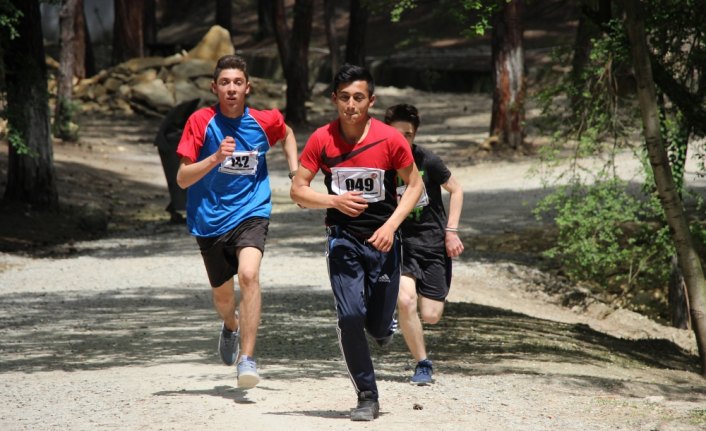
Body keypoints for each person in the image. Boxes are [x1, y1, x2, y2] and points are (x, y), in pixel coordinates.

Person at [290, 64, 423, 421]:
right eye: (345, 97)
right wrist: (333, 201)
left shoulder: (390, 139)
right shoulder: (322, 139)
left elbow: (415, 186)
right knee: (350, 316)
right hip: (343, 240)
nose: (351, 105)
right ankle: (367, 395)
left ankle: (384, 325)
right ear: (335, 99)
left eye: (359, 98)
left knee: (377, 326)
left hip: (384, 242)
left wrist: (391, 226)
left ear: (371, 101)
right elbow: (298, 190)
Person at [176, 54, 298, 389]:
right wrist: (216, 157)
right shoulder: (200, 122)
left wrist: (295, 173)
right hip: (209, 219)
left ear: (248, 87)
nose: (231, 88)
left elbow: (287, 133)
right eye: (225, 83)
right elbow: (183, 178)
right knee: (224, 298)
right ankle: (230, 325)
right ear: (214, 88)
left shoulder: (263, 120)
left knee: (249, 275)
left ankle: (248, 358)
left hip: (251, 212)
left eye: (238, 82)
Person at [383, 103, 464, 385]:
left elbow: (456, 189)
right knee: (406, 301)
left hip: (432, 244)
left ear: (414, 134)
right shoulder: (380, 164)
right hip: (400, 244)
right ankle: (422, 363)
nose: (401, 139)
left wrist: (451, 231)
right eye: (396, 134)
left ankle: (397, 311)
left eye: (407, 134)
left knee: (431, 315)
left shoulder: (427, 160)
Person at [154, 98, 201, 223]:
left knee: (180, 183)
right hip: (169, 147)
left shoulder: (185, 110)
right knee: (177, 182)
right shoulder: (181, 111)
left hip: (171, 146)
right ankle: (176, 210)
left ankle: (176, 210)